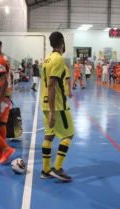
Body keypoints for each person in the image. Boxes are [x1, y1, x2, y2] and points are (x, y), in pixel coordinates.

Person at [40, 31, 74, 182]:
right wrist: (54, 112)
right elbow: (52, 85)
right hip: (58, 107)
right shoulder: (59, 59)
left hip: (44, 103)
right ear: (62, 42)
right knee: (68, 135)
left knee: (49, 136)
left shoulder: (46, 59)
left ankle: (46, 170)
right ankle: (58, 168)